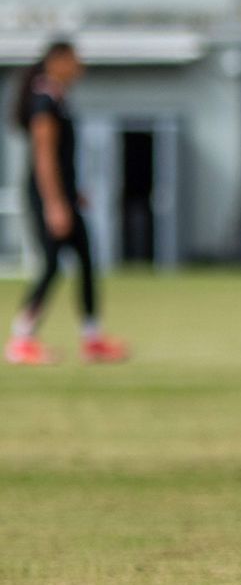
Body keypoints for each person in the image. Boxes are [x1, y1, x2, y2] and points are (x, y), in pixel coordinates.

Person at [4, 42, 130, 366]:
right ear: (57, 60)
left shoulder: (59, 98)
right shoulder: (44, 101)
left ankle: (92, 338)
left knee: (86, 260)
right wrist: (55, 203)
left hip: (64, 194)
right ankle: (20, 339)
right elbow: (44, 157)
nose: (80, 66)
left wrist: (74, 191)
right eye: (75, 60)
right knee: (51, 265)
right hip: (49, 195)